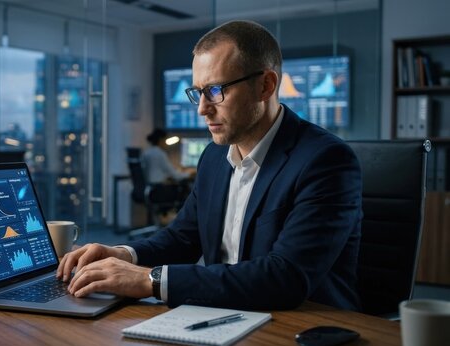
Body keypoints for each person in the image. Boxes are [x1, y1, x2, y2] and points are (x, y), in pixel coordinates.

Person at [57, 20, 362, 311]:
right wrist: (123, 254)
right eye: (198, 92)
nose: (202, 108)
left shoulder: (326, 161)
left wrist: (151, 280)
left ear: (266, 86)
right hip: (224, 314)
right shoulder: (215, 157)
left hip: (303, 326)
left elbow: (286, 277)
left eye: (216, 90)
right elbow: (182, 238)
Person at [141, 128, 194, 223]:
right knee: (187, 191)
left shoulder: (147, 152)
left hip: (150, 190)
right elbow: (176, 176)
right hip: (159, 191)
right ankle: (183, 223)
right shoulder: (160, 154)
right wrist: (190, 174)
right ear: (161, 140)